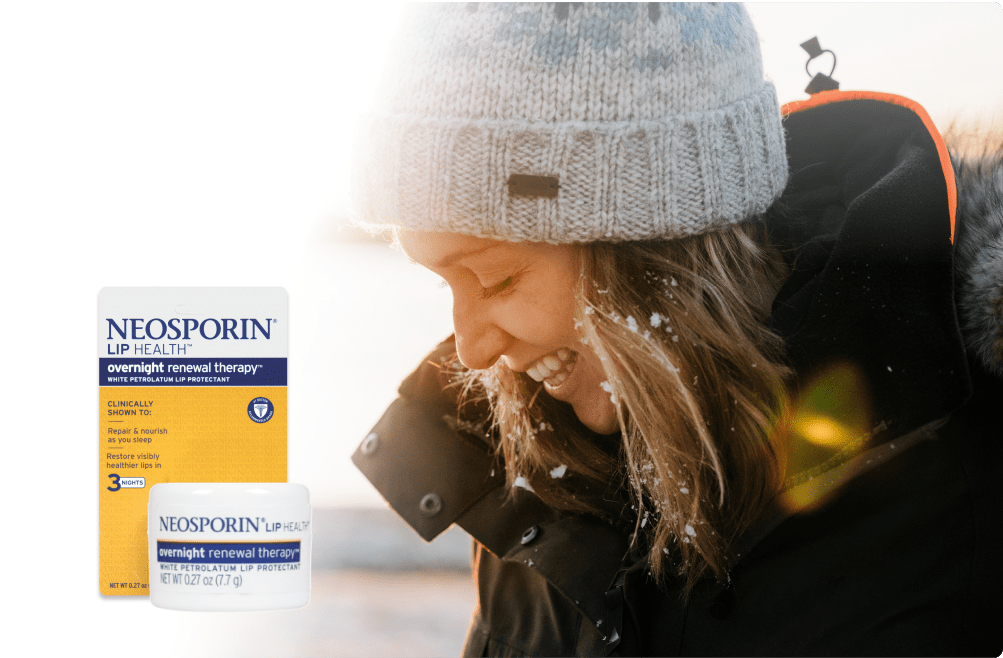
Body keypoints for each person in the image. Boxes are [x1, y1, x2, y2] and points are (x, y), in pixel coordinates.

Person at [349, 3, 1003, 655]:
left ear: (655, 252)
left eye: (497, 281)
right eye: (445, 283)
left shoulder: (960, 495)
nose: (471, 348)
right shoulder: (529, 480)